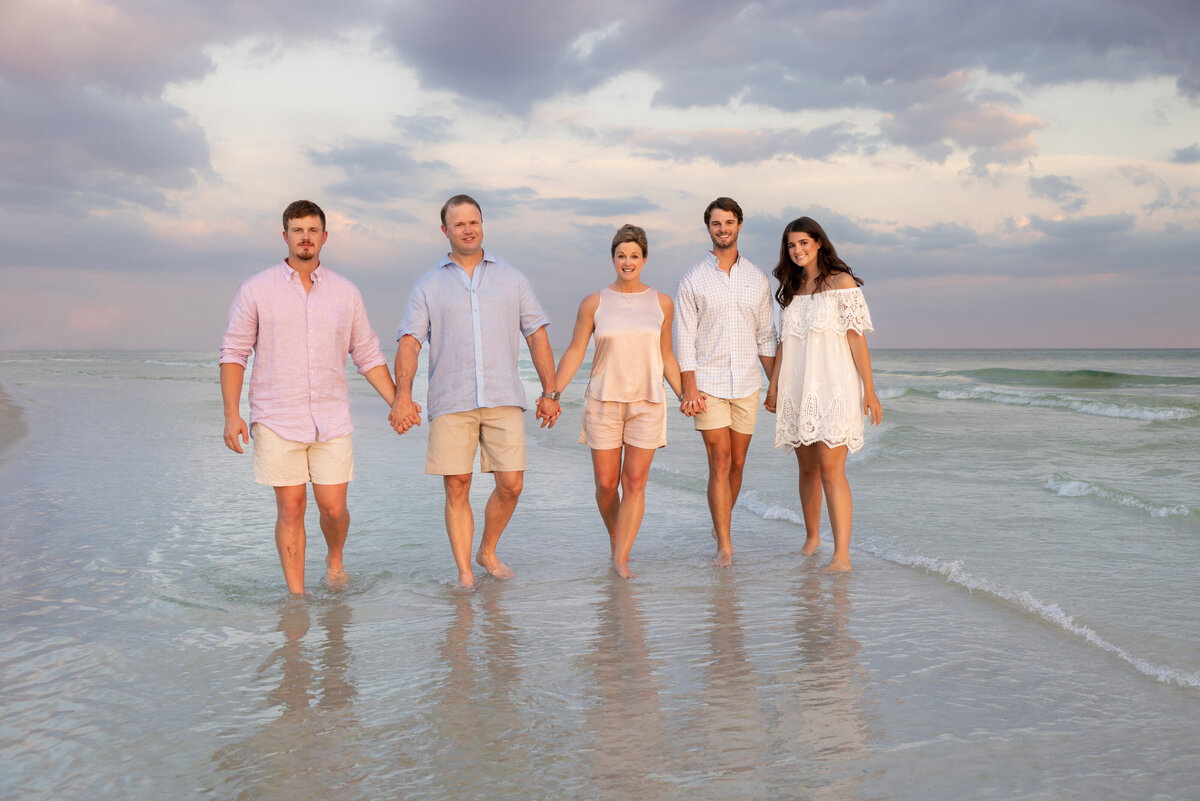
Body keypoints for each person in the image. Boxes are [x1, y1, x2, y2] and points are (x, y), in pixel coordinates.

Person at [220, 200, 397, 595]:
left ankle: (335, 562)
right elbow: (234, 353)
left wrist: (397, 402)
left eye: (312, 230)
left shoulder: (346, 293)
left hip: (332, 417)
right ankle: (296, 596)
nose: (305, 237)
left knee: (334, 508)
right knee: (292, 507)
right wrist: (232, 414)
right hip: (277, 415)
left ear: (324, 237)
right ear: (285, 236)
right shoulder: (255, 289)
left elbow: (366, 353)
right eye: (298, 230)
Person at [389, 194, 561, 589]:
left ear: (483, 225)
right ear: (445, 230)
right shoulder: (428, 285)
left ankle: (487, 550)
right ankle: (465, 574)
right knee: (457, 485)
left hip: (503, 395)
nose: (468, 229)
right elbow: (410, 343)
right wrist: (402, 397)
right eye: (459, 223)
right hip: (452, 398)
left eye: (474, 222)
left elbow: (536, 335)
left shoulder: (512, 278)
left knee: (511, 483)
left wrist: (551, 392)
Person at [554, 225, 684, 579]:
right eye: (621, 256)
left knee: (635, 482)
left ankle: (621, 557)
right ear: (613, 258)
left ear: (644, 259)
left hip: (647, 402)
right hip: (603, 401)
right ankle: (618, 539)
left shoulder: (662, 303)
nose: (627, 262)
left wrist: (685, 393)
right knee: (606, 485)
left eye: (634, 256)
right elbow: (576, 351)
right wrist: (553, 392)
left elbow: (667, 356)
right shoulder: (594, 303)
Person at [764, 216, 882, 572]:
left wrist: (870, 392)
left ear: (818, 242)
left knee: (832, 469)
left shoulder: (841, 283)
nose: (797, 250)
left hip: (834, 386)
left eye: (803, 242)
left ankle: (841, 555)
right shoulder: (791, 290)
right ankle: (812, 537)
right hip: (797, 388)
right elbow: (784, 343)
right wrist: (773, 386)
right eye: (791, 245)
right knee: (807, 470)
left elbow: (856, 339)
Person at [674, 197, 778, 567]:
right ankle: (726, 545)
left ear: (739, 226)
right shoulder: (693, 280)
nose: (723, 229)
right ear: (708, 228)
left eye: (729, 223)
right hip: (708, 384)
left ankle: (721, 526)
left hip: (748, 383)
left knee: (738, 463)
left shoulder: (756, 279)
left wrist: (775, 384)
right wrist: (688, 386)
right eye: (716, 224)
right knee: (719, 461)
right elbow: (683, 336)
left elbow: (766, 335)